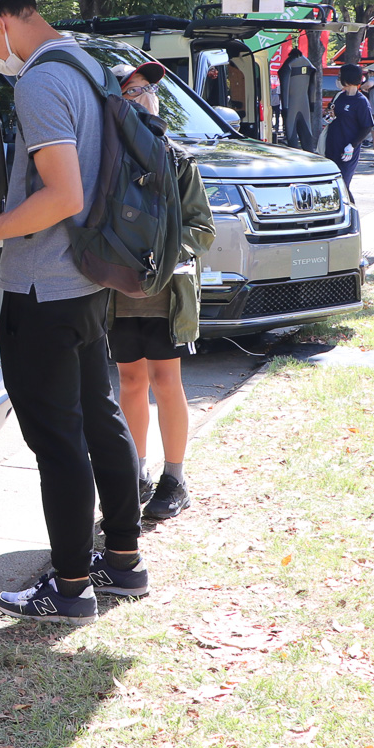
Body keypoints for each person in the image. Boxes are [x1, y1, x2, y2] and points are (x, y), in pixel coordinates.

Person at [0, 0, 148, 621]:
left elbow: (63, 195)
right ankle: (123, 561)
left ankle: (70, 587)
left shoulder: (37, 82)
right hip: (85, 279)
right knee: (101, 419)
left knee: (58, 443)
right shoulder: (88, 64)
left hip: (41, 287)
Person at [107, 62, 214, 523]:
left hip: (166, 293)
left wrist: (163, 254)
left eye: (148, 88)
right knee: (130, 382)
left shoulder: (177, 160)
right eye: (133, 91)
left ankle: (175, 479)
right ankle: (136, 472)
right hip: (117, 294)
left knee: (166, 381)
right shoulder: (102, 160)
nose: (146, 95)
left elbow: (202, 228)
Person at [324, 65, 373, 199]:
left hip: (347, 150)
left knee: (343, 185)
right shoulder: (339, 96)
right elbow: (329, 114)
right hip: (332, 146)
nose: (338, 79)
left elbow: (367, 126)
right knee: (332, 185)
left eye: (340, 76)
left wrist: (352, 145)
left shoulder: (361, 101)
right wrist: (328, 115)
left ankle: (351, 210)